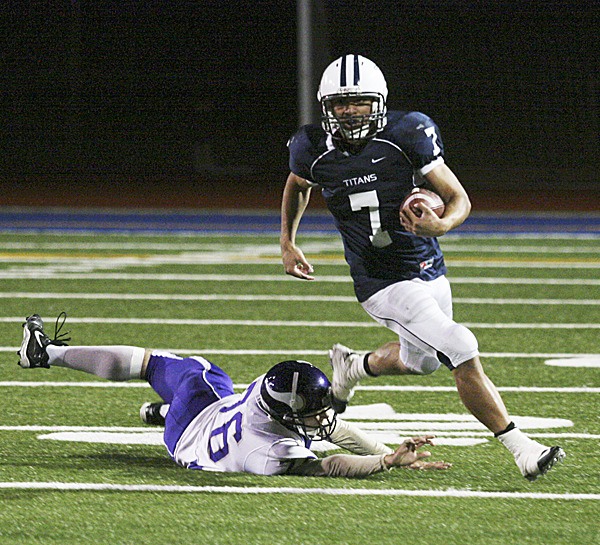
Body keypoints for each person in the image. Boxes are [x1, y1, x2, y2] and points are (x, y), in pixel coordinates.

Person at [280, 54, 565, 481]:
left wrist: (443, 223)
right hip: (381, 281)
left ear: (379, 102)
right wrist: (287, 241)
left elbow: (458, 197)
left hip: (427, 265)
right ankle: (521, 448)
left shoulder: (407, 133)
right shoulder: (312, 148)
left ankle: (353, 366)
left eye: (359, 101)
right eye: (341, 103)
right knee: (459, 345)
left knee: (422, 362)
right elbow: (298, 185)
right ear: (326, 106)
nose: (350, 111)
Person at [17, 313, 451, 477]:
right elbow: (332, 463)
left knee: (184, 367)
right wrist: (385, 461)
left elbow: (334, 430)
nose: (321, 418)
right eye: (311, 410)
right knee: (201, 373)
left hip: (201, 426)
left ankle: (50, 354)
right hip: (197, 429)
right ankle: (49, 353)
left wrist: (390, 456)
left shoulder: (270, 392)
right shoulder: (270, 452)